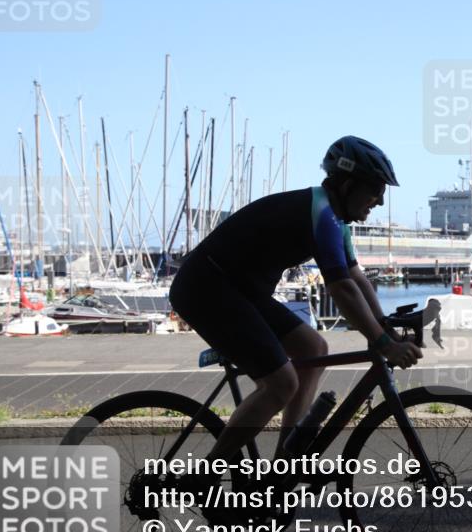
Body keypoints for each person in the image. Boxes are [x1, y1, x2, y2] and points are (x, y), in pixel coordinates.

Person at [169, 136, 422, 470]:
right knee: (281, 383)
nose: (379, 201)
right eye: (375, 189)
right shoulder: (321, 214)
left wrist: (384, 326)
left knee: (314, 349)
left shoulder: (335, 220)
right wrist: (383, 342)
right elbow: (341, 289)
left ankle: (283, 467)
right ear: (347, 185)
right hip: (206, 288)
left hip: (241, 290)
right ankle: (205, 474)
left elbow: (356, 278)